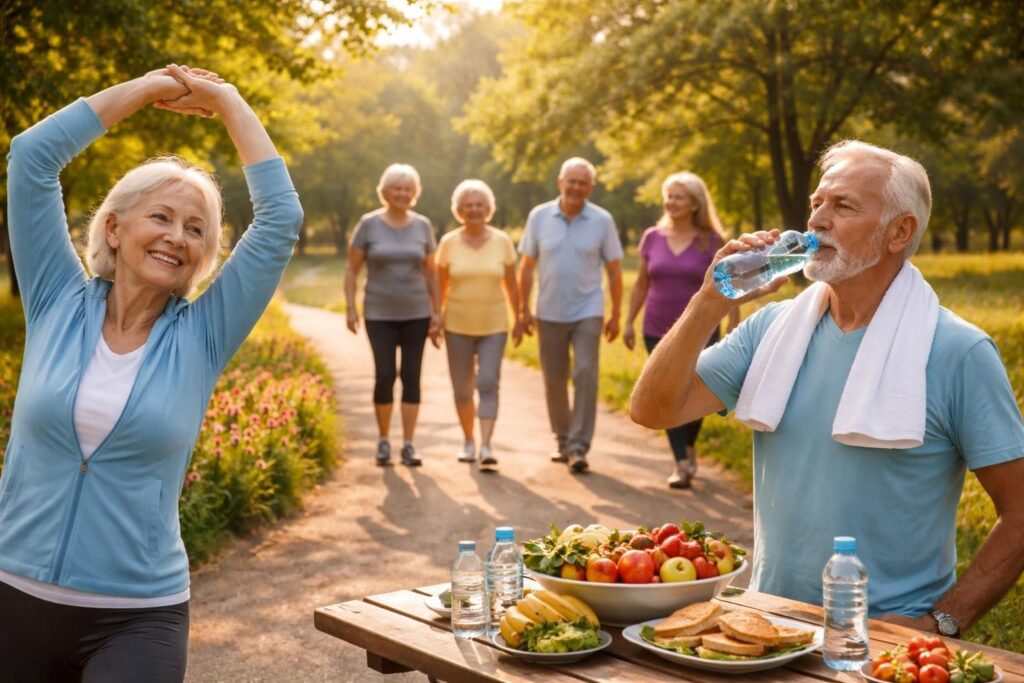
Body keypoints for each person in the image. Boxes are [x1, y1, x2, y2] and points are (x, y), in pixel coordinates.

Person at [630, 140, 1024, 631]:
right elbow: (653, 410)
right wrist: (708, 302)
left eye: (843, 206)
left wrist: (941, 621)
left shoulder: (958, 352)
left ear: (899, 232)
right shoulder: (771, 328)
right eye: (817, 203)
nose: (816, 220)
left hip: (882, 643)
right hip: (766, 624)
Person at [0, 65, 303, 681]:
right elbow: (31, 158)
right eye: (161, 217)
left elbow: (280, 218)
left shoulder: (203, 335)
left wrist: (228, 100)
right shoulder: (56, 299)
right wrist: (149, 88)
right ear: (114, 227)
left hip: (137, 616)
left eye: (196, 229)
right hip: (12, 594)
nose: (176, 237)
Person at [623, 172, 739, 488]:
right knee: (667, 391)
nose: (671, 202)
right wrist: (629, 321)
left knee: (695, 389)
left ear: (695, 203)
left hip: (701, 329)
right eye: (669, 196)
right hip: (656, 328)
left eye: (678, 197)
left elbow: (730, 283)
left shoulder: (711, 241)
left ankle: (688, 446)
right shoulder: (652, 237)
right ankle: (681, 462)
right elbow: (641, 283)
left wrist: (733, 322)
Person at [519, 157, 624, 473]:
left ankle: (579, 446)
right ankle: (562, 439)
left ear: (591, 187)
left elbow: (615, 270)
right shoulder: (539, 216)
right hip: (549, 310)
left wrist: (616, 313)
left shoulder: (602, 220)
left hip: (588, 309)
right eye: (571, 181)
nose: (576, 187)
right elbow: (527, 266)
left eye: (583, 183)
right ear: (560, 182)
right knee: (554, 378)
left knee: (585, 372)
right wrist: (523, 309)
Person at [345, 163, 441, 467]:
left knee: (412, 376)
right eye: (397, 188)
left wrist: (437, 312)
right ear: (385, 191)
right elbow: (352, 270)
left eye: (408, 189)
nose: (402, 193)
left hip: (417, 313)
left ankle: (409, 444)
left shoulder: (423, 226)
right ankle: (384, 440)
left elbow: (432, 273)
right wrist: (350, 307)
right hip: (379, 313)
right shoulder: (368, 224)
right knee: (385, 374)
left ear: (415, 193)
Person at [437, 180, 522, 468]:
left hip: (494, 325)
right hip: (457, 325)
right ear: (459, 210)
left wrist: (519, 317)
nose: (474, 210)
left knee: (488, 382)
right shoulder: (448, 243)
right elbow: (440, 286)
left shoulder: (502, 241)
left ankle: (486, 445)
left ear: (488, 209)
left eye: (479, 205)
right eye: (468, 205)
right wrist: (436, 316)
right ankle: (468, 441)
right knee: (462, 389)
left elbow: (512, 285)